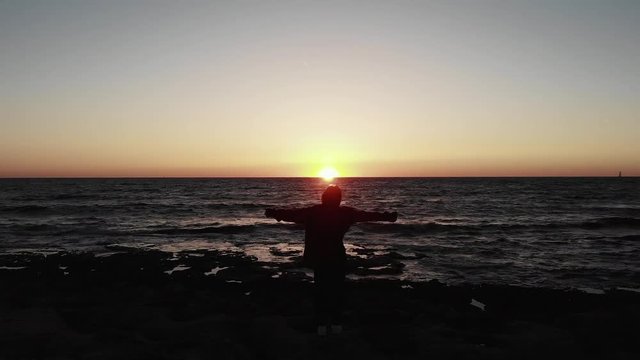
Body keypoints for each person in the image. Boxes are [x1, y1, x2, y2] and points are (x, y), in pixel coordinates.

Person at [265, 184, 397, 336]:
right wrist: (388, 216)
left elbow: (292, 214)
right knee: (337, 292)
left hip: (319, 258)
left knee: (320, 291)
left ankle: (321, 326)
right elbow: (368, 215)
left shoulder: (313, 212)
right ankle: (336, 325)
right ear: (339, 199)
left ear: (324, 197)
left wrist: (274, 213)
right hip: (337, 257)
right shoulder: (345, 213)